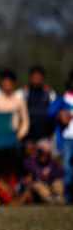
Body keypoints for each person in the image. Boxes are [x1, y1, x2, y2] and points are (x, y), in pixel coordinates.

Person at [48, 71, 73, 202]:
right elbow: (50, 113)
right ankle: (67, 196)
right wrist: (60, 115)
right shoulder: (63, 99)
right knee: (67, 169)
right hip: (67, 138)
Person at [0, 69, 30, 141]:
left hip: (14, 135)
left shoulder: (20, 100)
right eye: (4, 82)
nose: (6, 84)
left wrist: (20, 134)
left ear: (14, 83)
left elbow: (25, 121)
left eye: (8, 82)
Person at [20, 139, 65, 204]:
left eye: (45, 154)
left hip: (51, 183)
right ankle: (49, 199)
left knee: (58, 182)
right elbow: (27, 168)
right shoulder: (32, 162)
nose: (43, 157)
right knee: (38, 185)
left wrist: (49, 176)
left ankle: (59, 198)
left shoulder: (52, 162)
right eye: (41, 154)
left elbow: (60, 173)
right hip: (41, 185)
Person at [20, 65, 56, 143]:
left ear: (43, 78)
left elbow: (55, 107)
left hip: (44, 134)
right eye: (34, 76)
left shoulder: (49, 93)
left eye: (39, 76)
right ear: (30, 77)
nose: (37, 78)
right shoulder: (23, 92)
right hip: (27, 135)